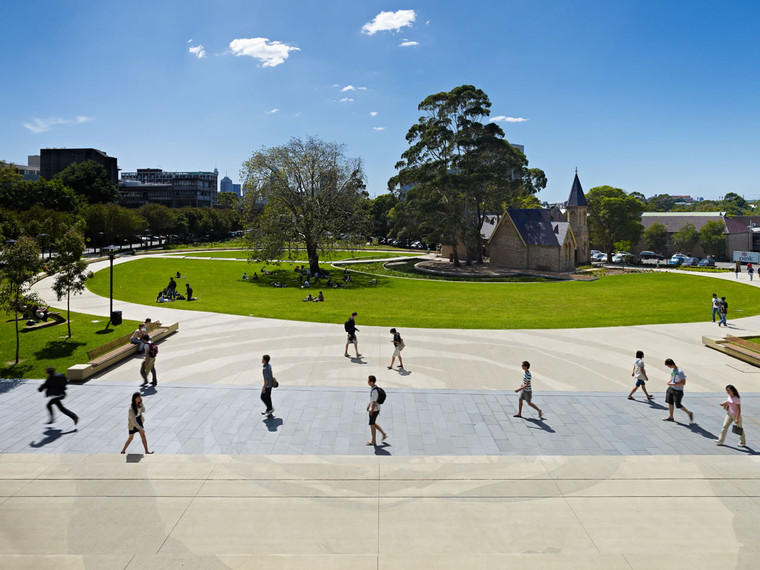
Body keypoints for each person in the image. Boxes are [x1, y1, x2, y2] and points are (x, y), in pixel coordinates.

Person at [663, 358, 694, 423]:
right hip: (671, 388)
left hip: (678, 391)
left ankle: (689, 413)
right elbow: (672, 375)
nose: (668, 367)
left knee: (678, 404)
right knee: (670, 402)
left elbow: (683, 383)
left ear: (672, 364)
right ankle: (671, 417)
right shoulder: (672, 369)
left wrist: (674, 383)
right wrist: (670, 381)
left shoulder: (680, 372)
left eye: (668, 366)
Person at [366, 375, 387, 445]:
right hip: (374, 409)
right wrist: (369, 404)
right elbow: (373, 400)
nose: (368, 382)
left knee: (372, 425)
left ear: (372, 382)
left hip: (374, 410)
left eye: (369, 381)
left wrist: (371, 411)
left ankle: (373, 441)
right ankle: (383, 434)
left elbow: (374, 403)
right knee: (373, 423)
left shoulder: (374, 391)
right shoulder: (374, 388)